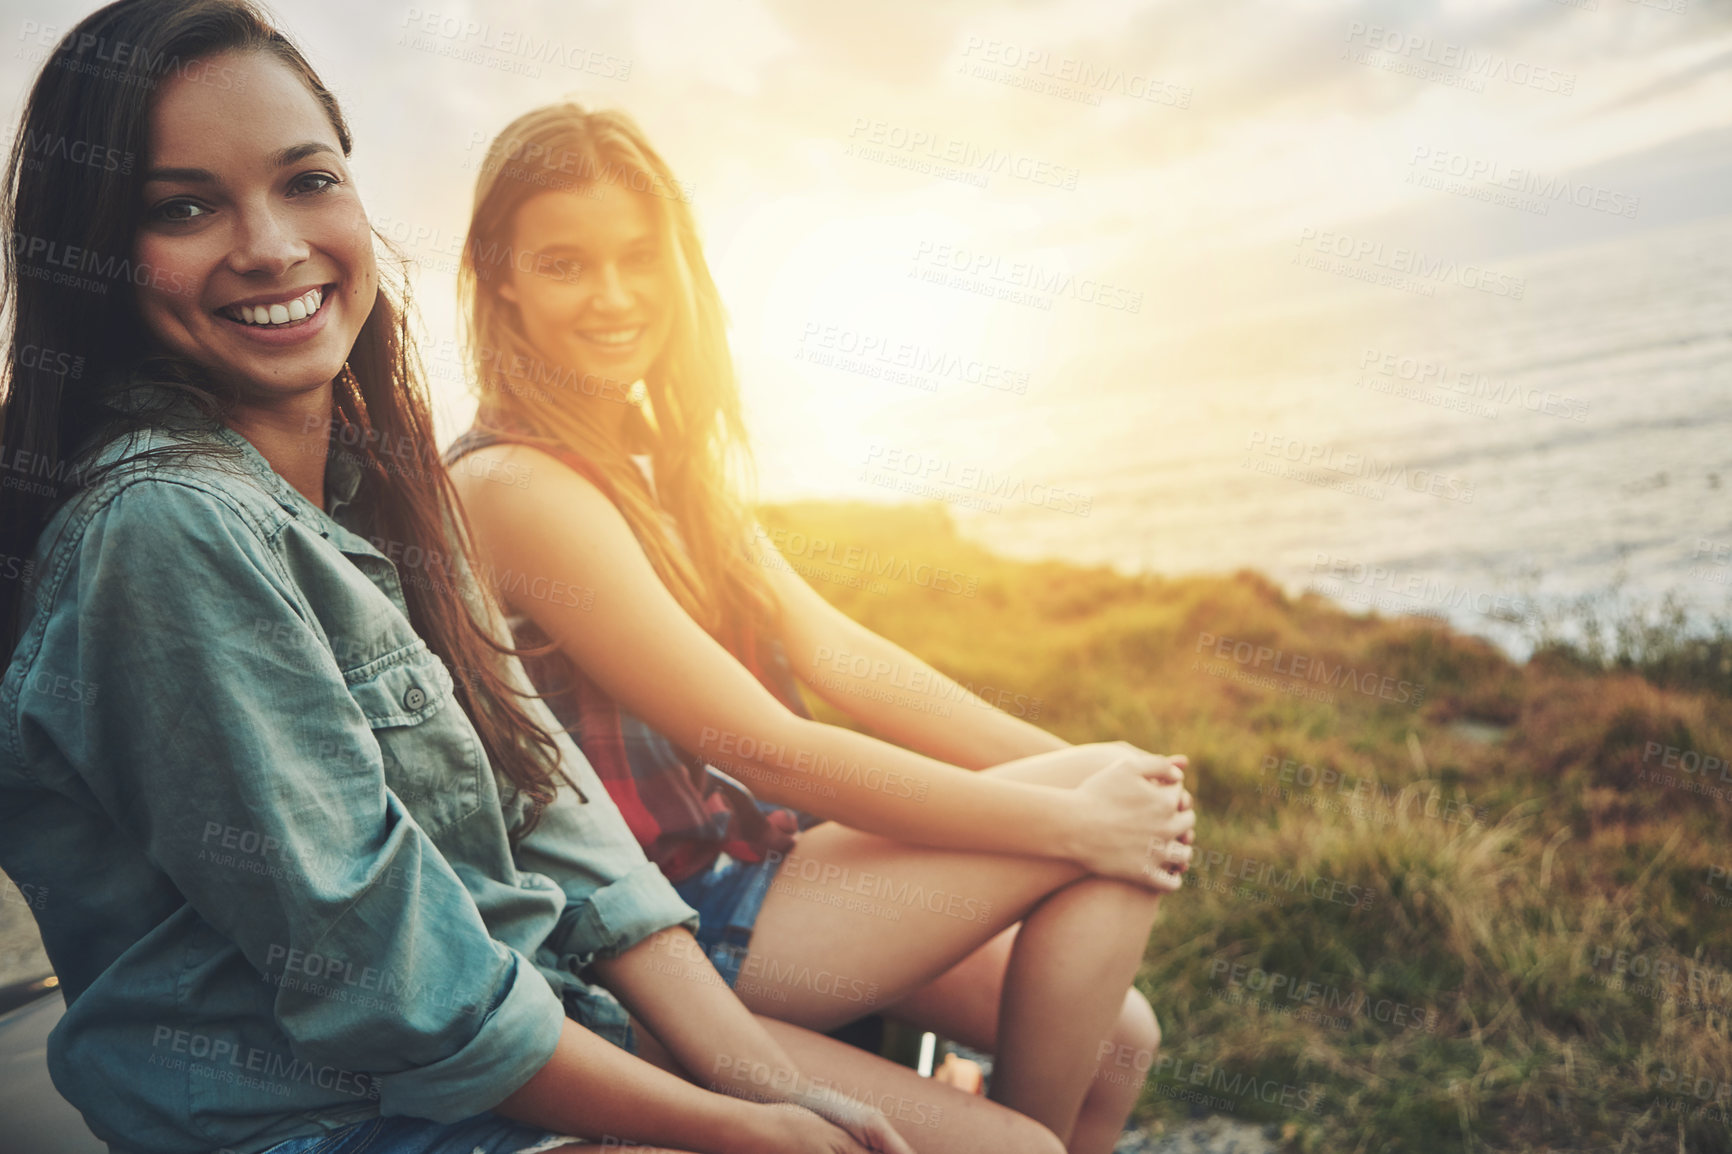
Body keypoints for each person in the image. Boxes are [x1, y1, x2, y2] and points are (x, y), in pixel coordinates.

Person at [0, 4, 1071, 1153]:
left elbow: (551, 801)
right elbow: (403, 979)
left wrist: (765, 1083)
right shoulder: (168, 528)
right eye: (184, 206)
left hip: (526, 1037)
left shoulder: (387, 481)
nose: (269, 244)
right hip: (335, 1123)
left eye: (307, 180)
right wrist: (733, 1126)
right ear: (99, 251)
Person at [443, 105, 1199, 1154]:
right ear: (502, 276)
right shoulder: (516, 484)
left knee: (1120, 1032)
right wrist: (1073, 817)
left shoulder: (659, 460)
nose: (613, 297)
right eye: (566, 264)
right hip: (661, 933)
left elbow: (843, 654)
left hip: (756, 873)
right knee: (1021, 1129)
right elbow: (759, 742)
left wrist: (1092, 772)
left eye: (638, 257)